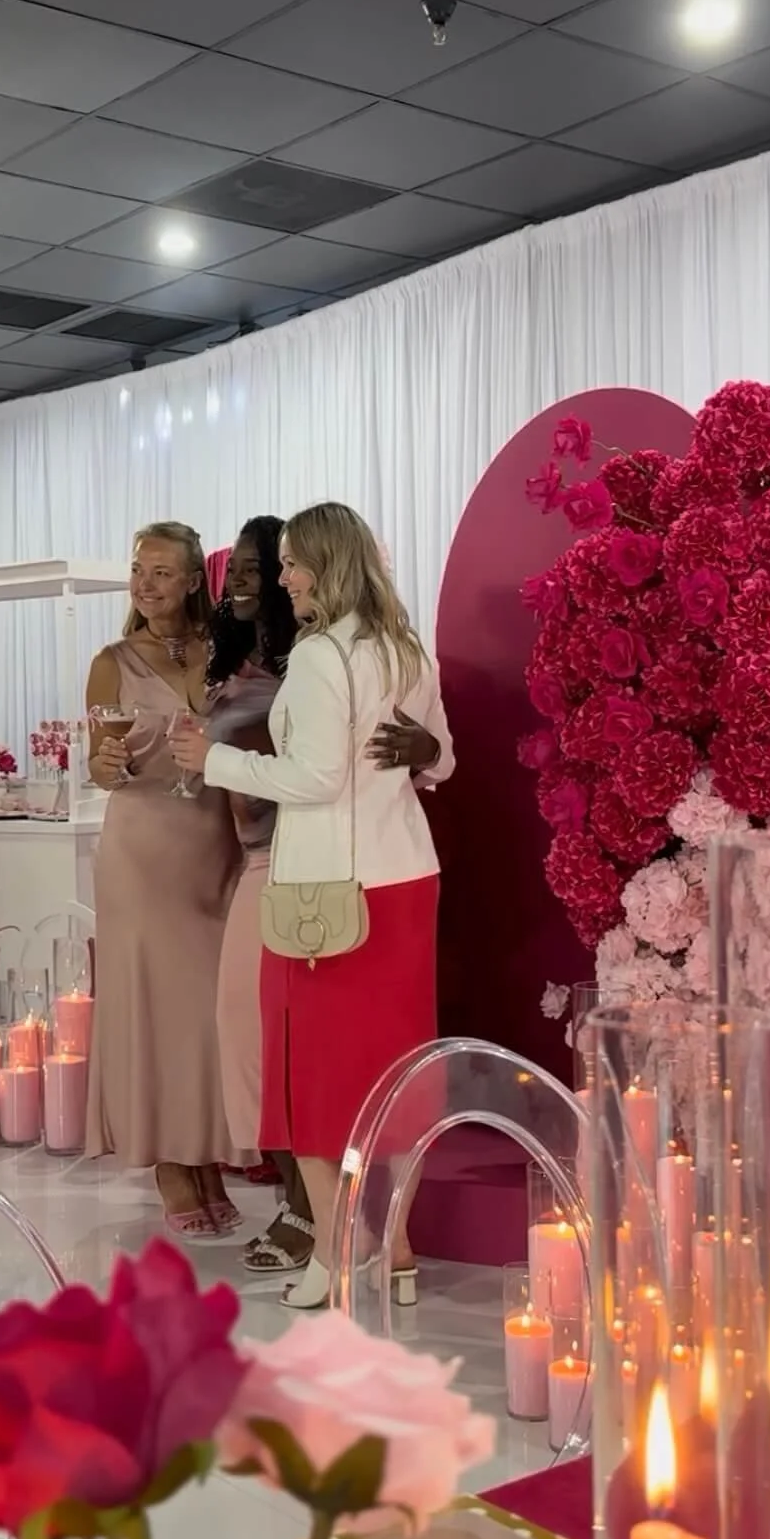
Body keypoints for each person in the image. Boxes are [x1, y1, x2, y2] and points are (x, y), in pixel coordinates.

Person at [171, 502, 453, 1307]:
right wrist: (424, 756)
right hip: (403, 883)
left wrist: (216, 758)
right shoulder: (405, 648)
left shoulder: (324, 656)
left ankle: (336, 1257)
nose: (284, 577)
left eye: (293, 563)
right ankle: (393, 1250)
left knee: (310, 1081)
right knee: (390, 1078)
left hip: (327, 893)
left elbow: (315, 780)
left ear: (328, 565)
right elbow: (443, 758)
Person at [85, 522, 242, 1237]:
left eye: (160, 572)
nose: (145, 584)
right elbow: (99, 757)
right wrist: (106, 765)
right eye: (137, 570)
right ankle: (169, 1165)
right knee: (154, 1006)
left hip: (216, 846)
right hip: (143, 849)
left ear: (190, 582)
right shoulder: (111, 660)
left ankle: (206, 1152)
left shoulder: (224, 654)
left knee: (211, 1014)